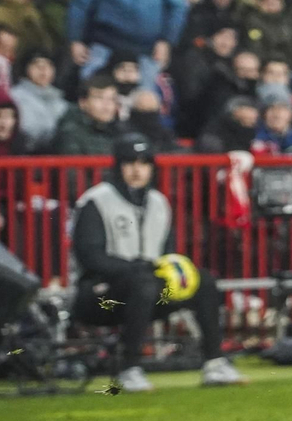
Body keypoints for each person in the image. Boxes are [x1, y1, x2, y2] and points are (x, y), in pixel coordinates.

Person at [70, 135, 246, 392]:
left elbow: (166, 253)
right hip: (99, 295)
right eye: (130, 162)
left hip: (147, 290)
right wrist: (139, 268)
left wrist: (175, 270)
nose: (137, 170)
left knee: (204, 281)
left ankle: (215, 363)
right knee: (143, 283)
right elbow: (91, 257)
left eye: (144, 163)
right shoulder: (96, 201)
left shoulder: (158, 202)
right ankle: (129, 369)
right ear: (118, 166)